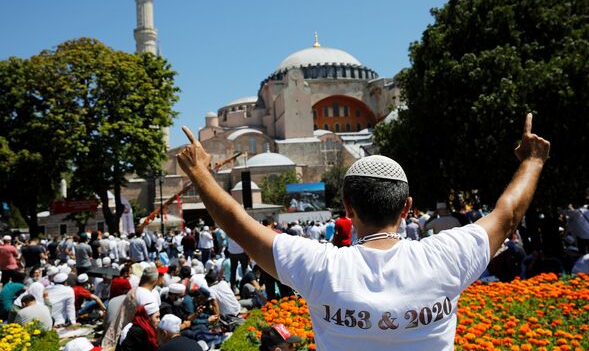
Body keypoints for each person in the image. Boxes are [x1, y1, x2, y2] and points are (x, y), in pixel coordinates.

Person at [176, 113, 550, 350]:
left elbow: (239, 226)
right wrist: (532, 161)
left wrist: (199, 173)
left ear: (348, 209)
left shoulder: (320, 266)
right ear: (406, 207)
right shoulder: (445, 256)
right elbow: (508, 215)